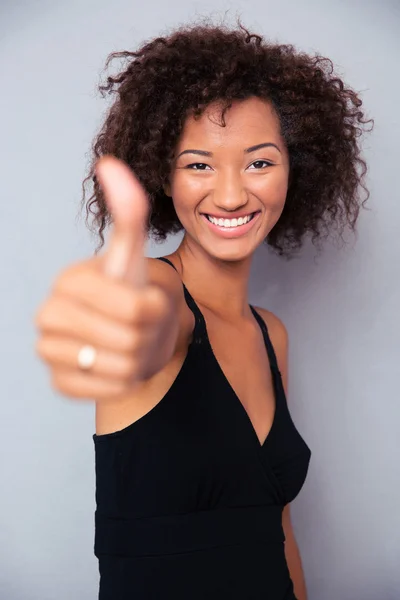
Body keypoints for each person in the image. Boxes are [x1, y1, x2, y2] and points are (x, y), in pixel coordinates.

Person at [34, 20, 373, 600]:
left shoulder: (272, 335)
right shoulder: (158, 299)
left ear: (298, 168)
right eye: (199, 165)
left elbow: (277, 526)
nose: (233, 194)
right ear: (160, 175)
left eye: (260, 162)